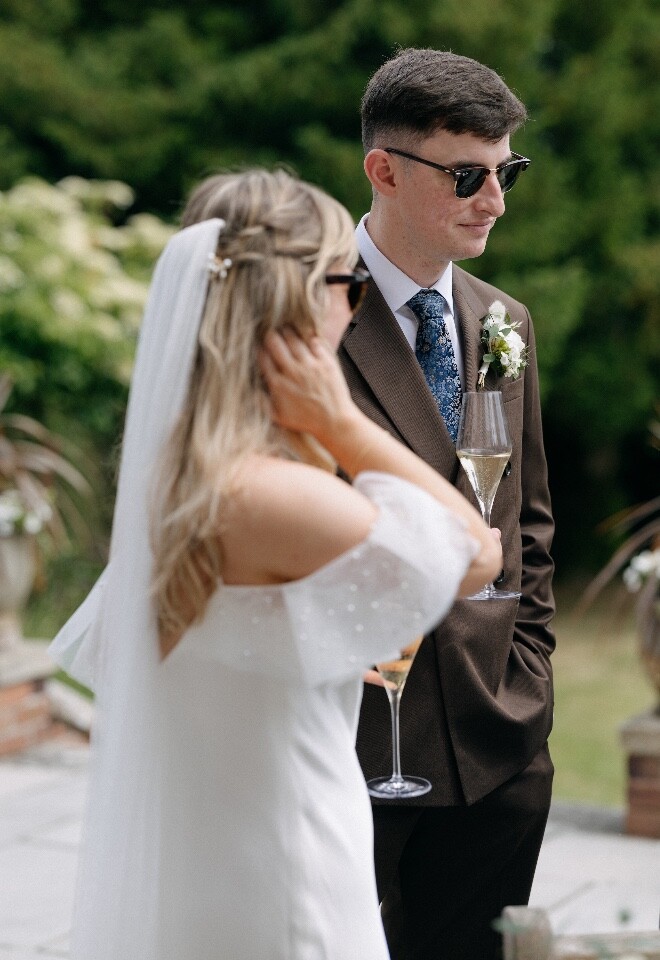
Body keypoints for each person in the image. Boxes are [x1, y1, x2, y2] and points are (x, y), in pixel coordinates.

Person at [49, 169, 501, 960]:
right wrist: (346, 426)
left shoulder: (176, 481)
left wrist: (292, 650)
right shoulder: (271, 494)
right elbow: (473, 551)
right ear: (292, 305)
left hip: (209, 867)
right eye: (348, 282)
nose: (356, 306)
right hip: (293, 873)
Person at [337, 49, 556, 960]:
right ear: (383, 170)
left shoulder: (505, 319)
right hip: (354, 750)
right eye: (468, 174)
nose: (495, 199)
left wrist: (531, 676)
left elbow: (528, 521)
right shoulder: (299, 315)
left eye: (505, 171)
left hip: (501, 742)